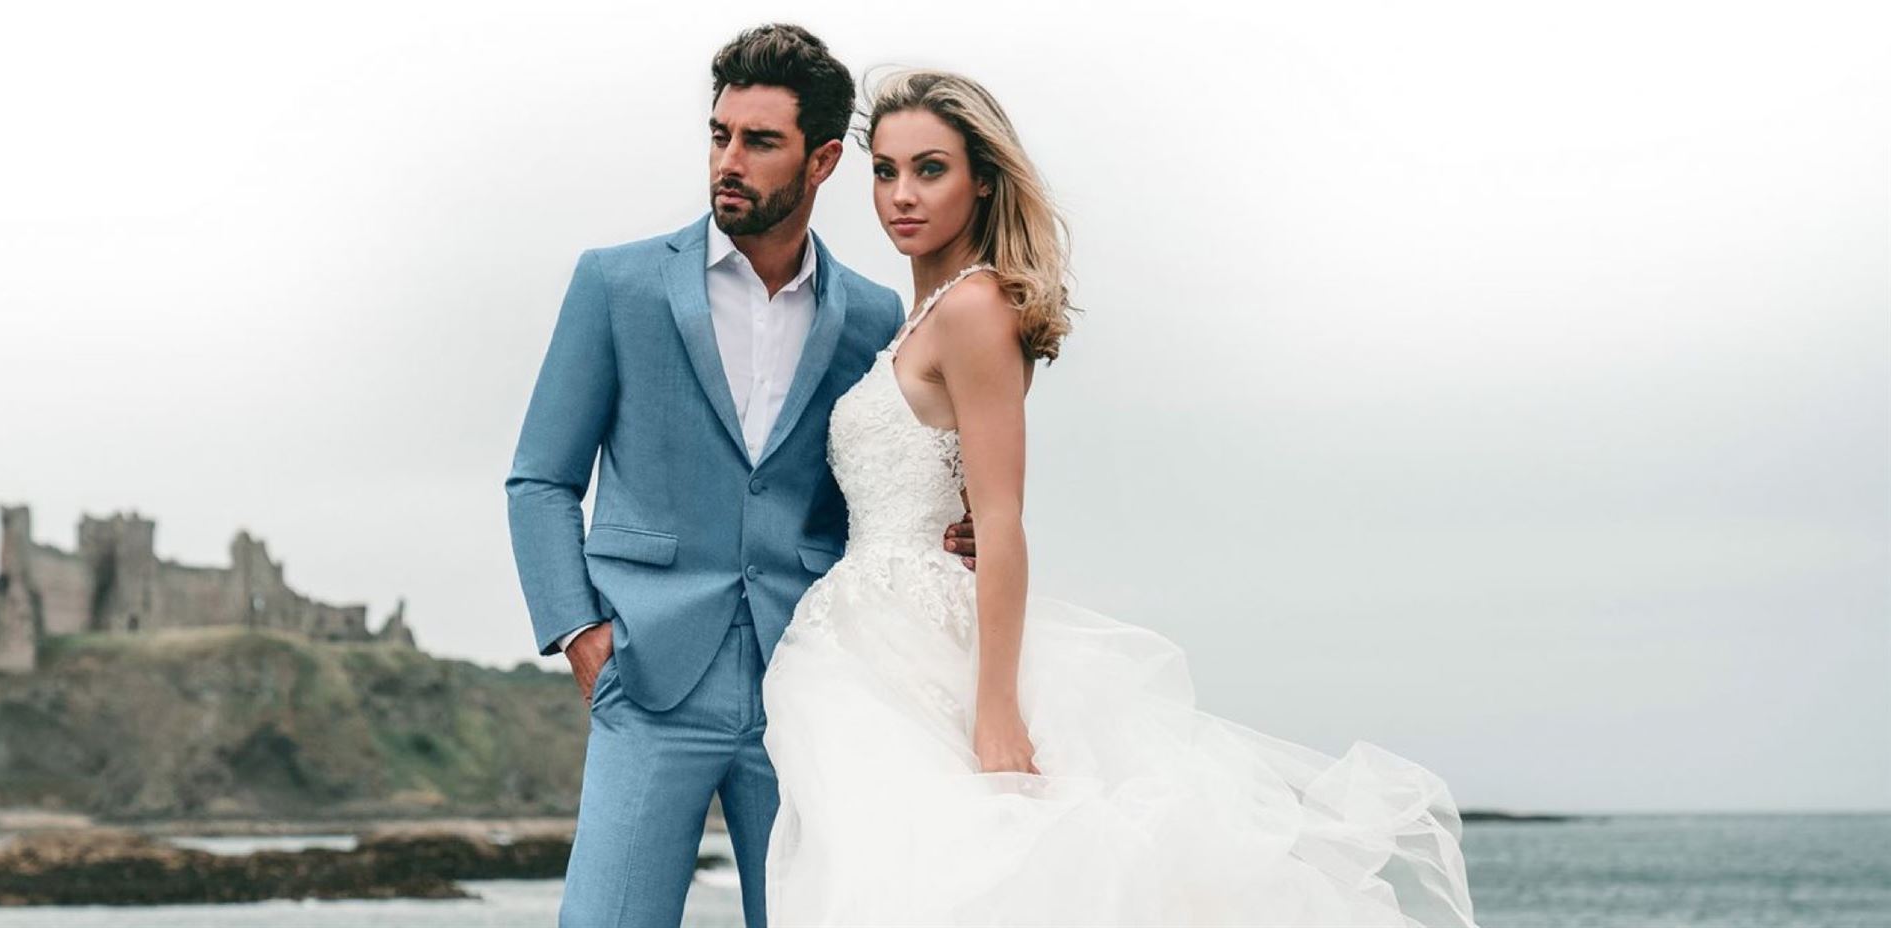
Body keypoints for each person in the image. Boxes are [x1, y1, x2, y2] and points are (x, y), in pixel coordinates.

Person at [755, 67, 1480, 926]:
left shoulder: (975, 307)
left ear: (983, 179)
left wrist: (995, 718)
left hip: (928, 650)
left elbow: (999, 517)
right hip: (872, 644)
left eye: (930, 169)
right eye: (885, 170)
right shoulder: (920, 315)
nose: (900, 194)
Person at [503, 24, 976, 928]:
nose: (730, 159)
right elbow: (539, 480)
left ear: (824, 159)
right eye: (720, 135)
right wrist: (580, 636)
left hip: (806, 683)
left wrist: (955, 530)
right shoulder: (618, 284)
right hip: (645, 678)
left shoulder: (876, 315)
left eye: (760, 142)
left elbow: (877, 481)